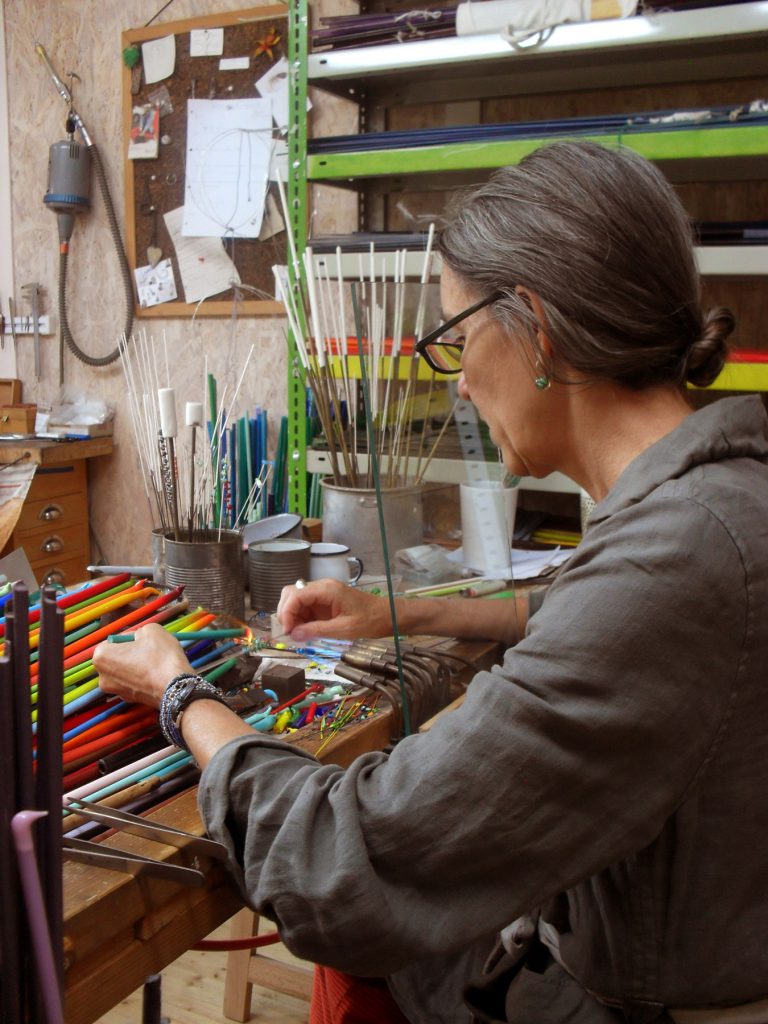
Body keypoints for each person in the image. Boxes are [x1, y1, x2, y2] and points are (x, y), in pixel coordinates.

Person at [93, 139, 768, 1024]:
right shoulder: (723, 491)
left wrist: (181, 694)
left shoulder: (673, 564)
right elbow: (577, 605)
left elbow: (343, 854)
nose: (454, 380)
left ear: (536, 326)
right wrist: (391, 611)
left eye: (454, 338)